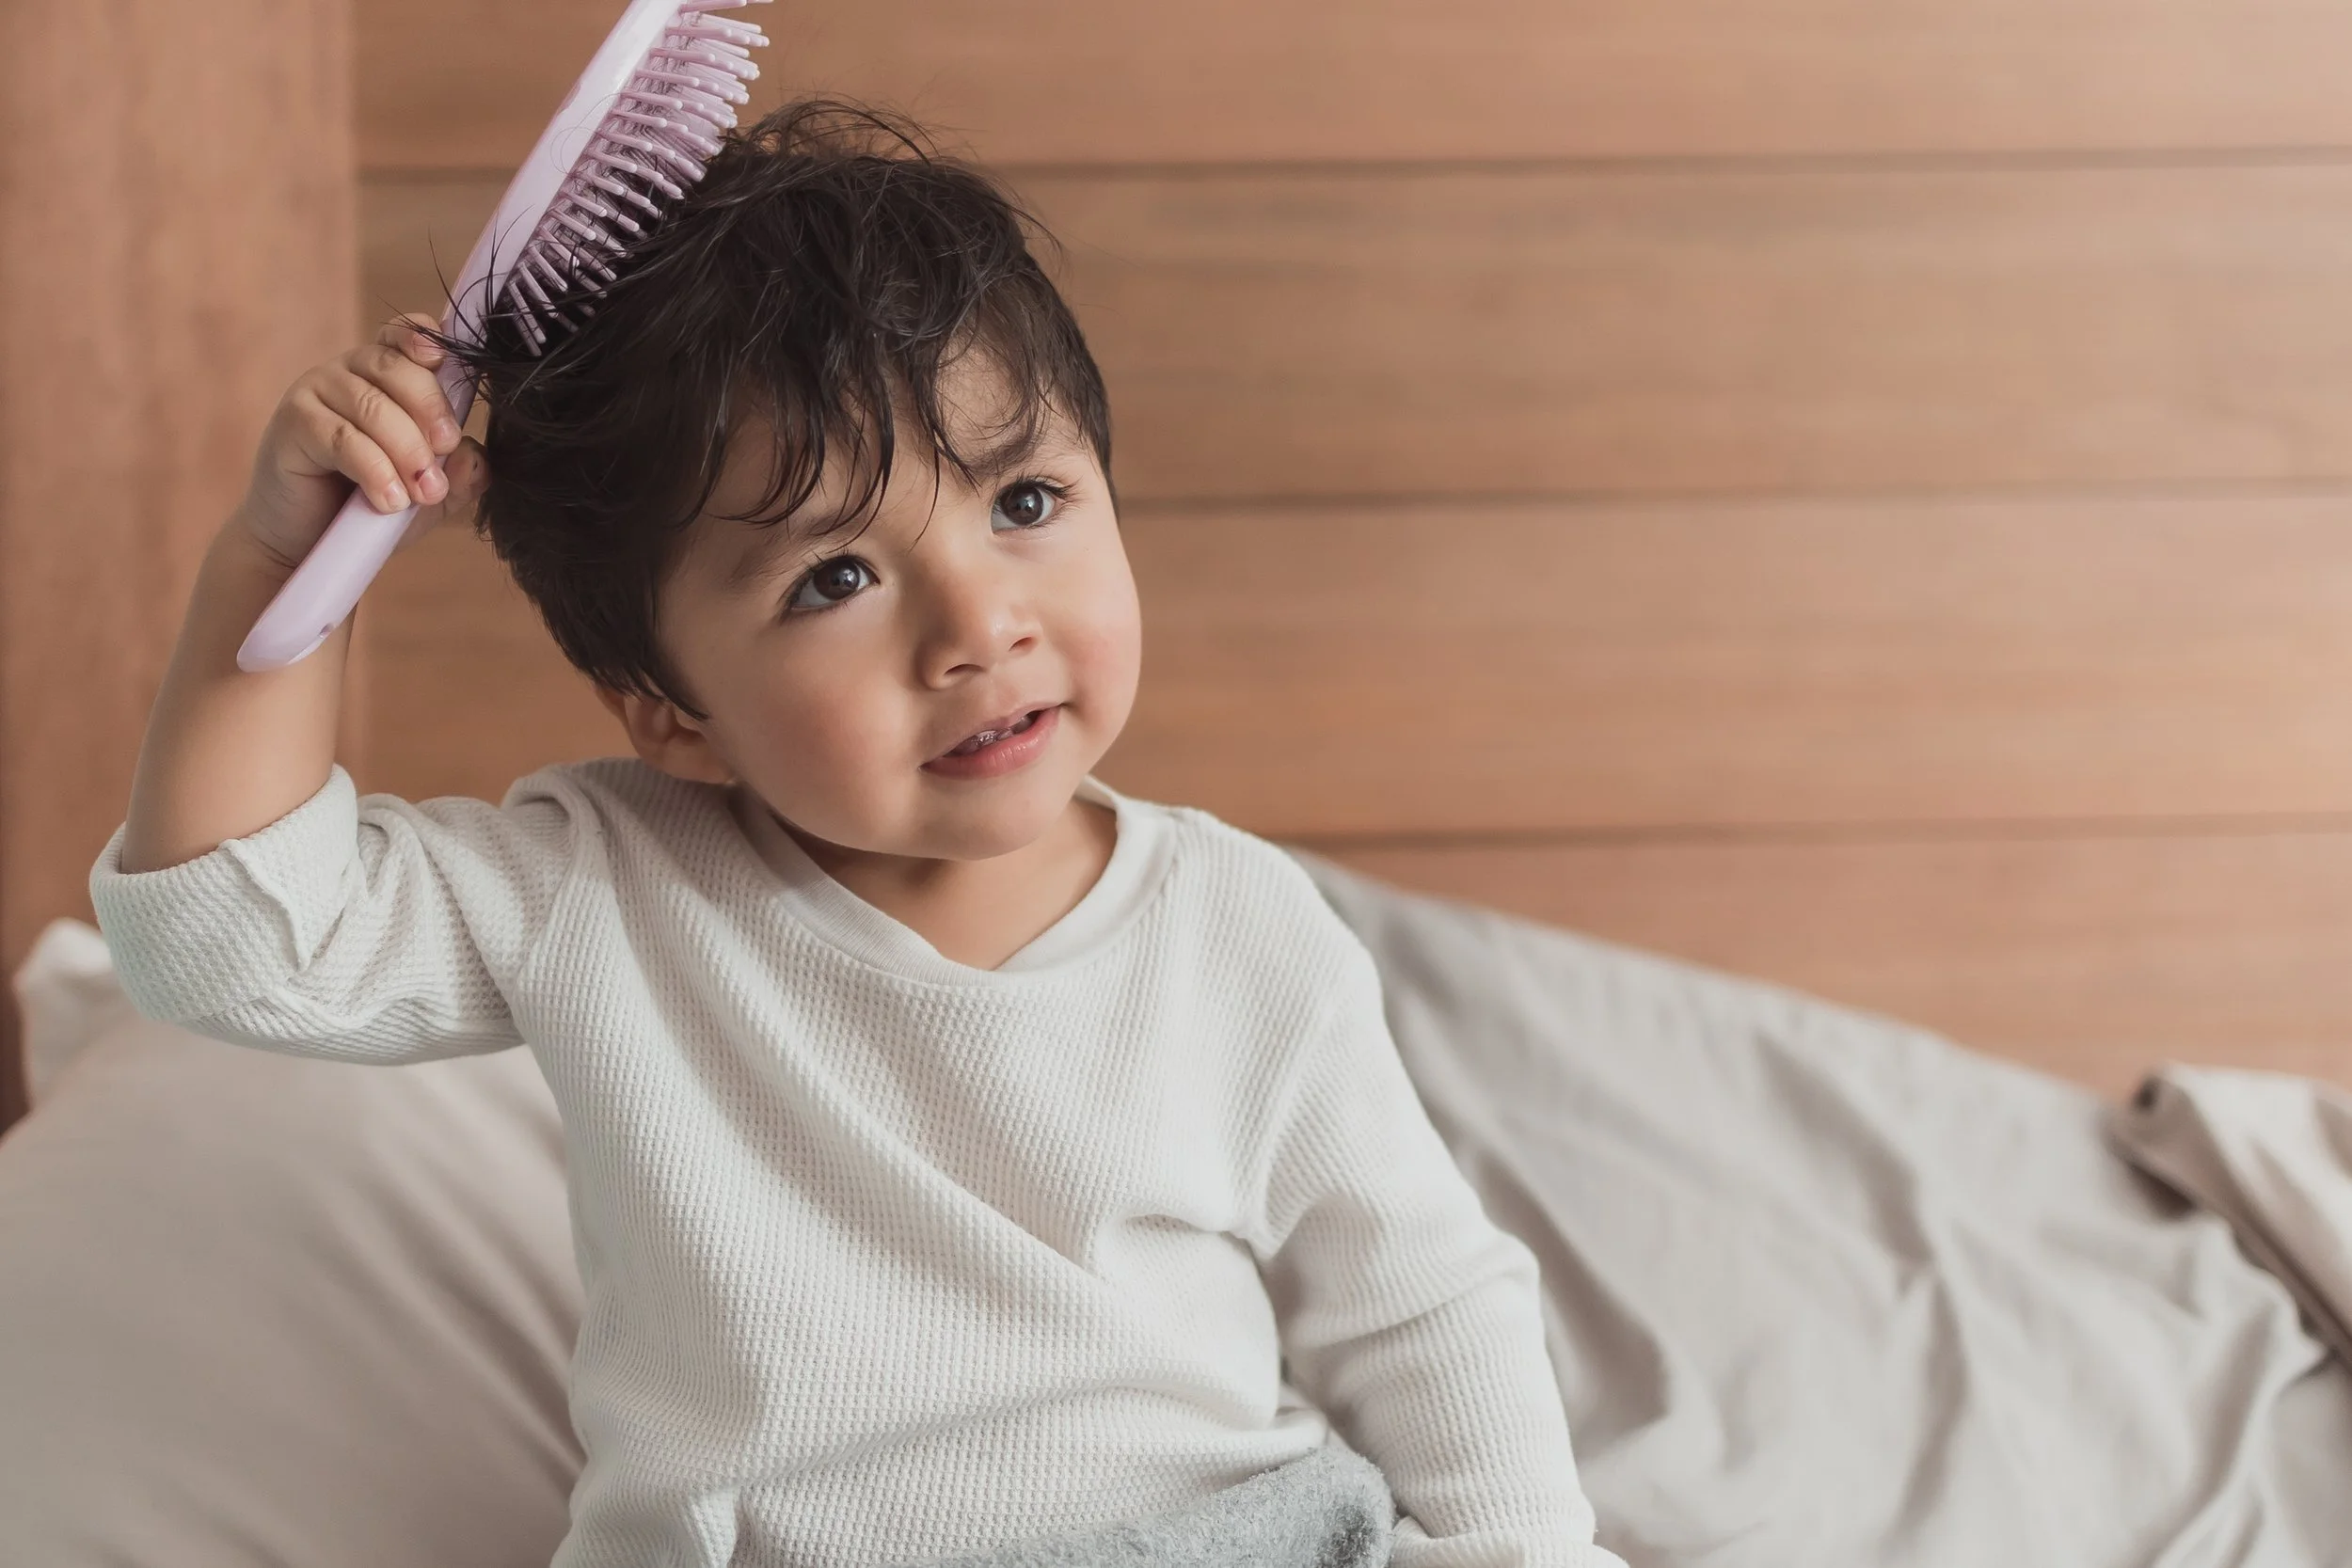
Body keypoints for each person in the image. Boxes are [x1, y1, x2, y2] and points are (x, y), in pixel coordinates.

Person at [89, 102, 1624, 1568]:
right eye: (833, 579)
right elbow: (238, 935)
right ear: (671, 712)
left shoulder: (1243, 928)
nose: (979, 626)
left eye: (1025, 497)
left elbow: (1423, 1298)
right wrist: (277, 566)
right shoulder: (605, 886)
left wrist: (1521, 1544)